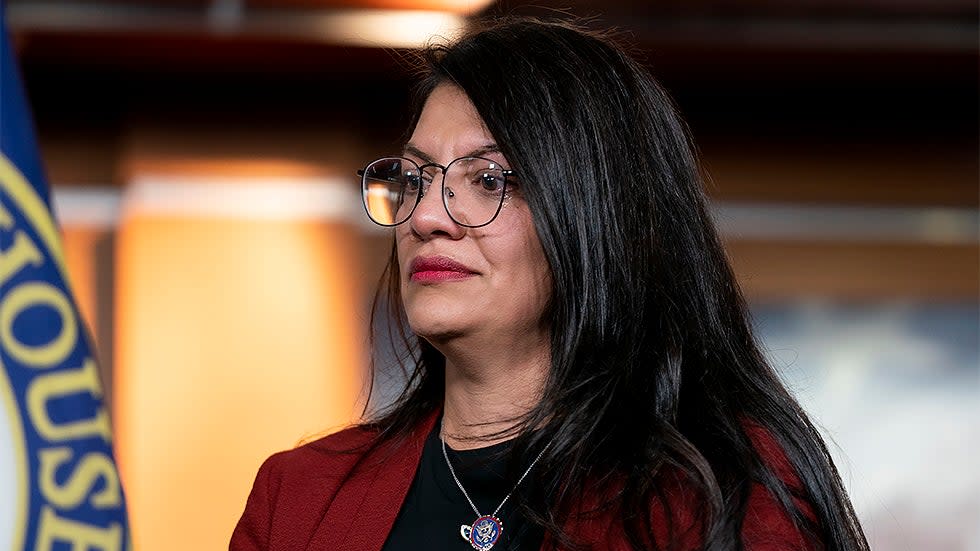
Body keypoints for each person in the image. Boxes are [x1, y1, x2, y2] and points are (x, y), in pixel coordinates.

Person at [230, 15, 869, 551]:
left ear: (596, 213)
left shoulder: (723, 493)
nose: (425, 216)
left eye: (486, 180)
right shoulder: (299, 499)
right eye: (417, 177)